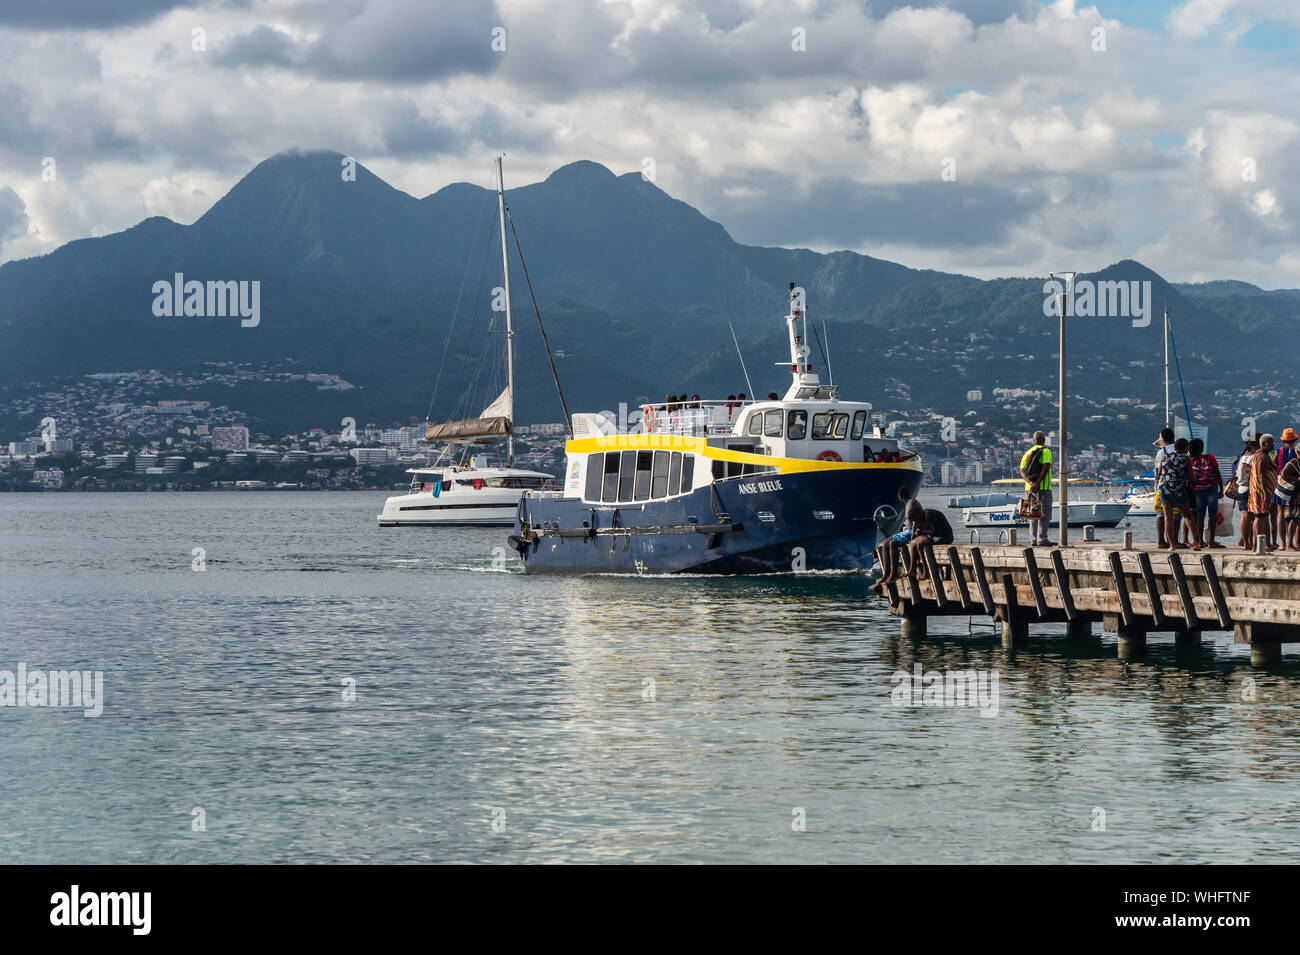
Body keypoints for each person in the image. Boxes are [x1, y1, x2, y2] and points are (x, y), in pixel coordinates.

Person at [879, 487, 931, 584]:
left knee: (893, 544)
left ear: (899, 496)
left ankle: (894, 574)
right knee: (886, 542)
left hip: (911, 532)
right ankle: (886, 573)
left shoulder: (911, 504)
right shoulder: (909, 503)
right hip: (906, 531)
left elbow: (915, 522)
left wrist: (912, 540)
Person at [1157, 436, 1193, 550]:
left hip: (1164, 489)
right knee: (1188, 516)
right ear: (1186, 448)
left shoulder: (1164, 457)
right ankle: (1196, 542)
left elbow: (1159, 474)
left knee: (1168, 517)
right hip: (1178, 490)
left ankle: (1171, 545)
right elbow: (1190, 477)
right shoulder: (1185, 458)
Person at [1187, 437, 1223, 548]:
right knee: (1212, 516)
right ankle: (1211, 541)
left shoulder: (1189, 460)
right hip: (1211, 489)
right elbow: (1217, 473)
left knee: (1199, 516)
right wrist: (1221, 488)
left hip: (1197, 491)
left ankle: (1200, 541)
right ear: (1202, 448)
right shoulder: (1210, 458)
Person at [1019, 431, 1054, 546]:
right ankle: (1042, 539)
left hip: (1029, 489)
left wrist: (1030, 482)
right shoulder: (1046, 451)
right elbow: (1046, 467)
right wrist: (1037, 483)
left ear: (1033, 441)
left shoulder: (1027, 453)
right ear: (1044, 440)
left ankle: (1034, 540)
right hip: (1042, 488)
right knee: (1045, 513)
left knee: (1033, 514)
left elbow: (1021, 470)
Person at [1248, 434, 1279, 551]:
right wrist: (1265, 494)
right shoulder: (1262, 457)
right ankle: (1258, 545)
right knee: (1260, 517)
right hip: (1261, 492)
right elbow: (1261, 475)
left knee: (1261, 517)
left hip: (1260, 491)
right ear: (1264, 444)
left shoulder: (1260, 455)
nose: (1273, 445)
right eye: (1271, 443)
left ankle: (1260, 545)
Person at [1271, 428, 1298, 549]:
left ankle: (1282, 543)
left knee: (1280, 514)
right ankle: (1294, 543)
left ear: (1284, 440)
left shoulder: (1279, 451)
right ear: (1294, 439)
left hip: (1281, 487)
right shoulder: (1296, 453)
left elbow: (1272, 467)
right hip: (1294, 488)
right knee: (1294, 516)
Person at [1152, 426, 1176, 548]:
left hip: (1163, 485)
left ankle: (1161, 541)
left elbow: (1157, 471)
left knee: (1161, 514)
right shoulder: (1180, 450)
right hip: (1178, 486)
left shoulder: (1161, 452)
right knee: (1176, 515)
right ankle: (1174, 540)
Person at [1278, 450, 1300, 551]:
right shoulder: (1293, 463)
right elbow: (1283, 475)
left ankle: (1297, 544)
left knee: (1298, 520)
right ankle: (1289, 544)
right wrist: (1297, 479)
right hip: (1294, 495)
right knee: (1293, 518)